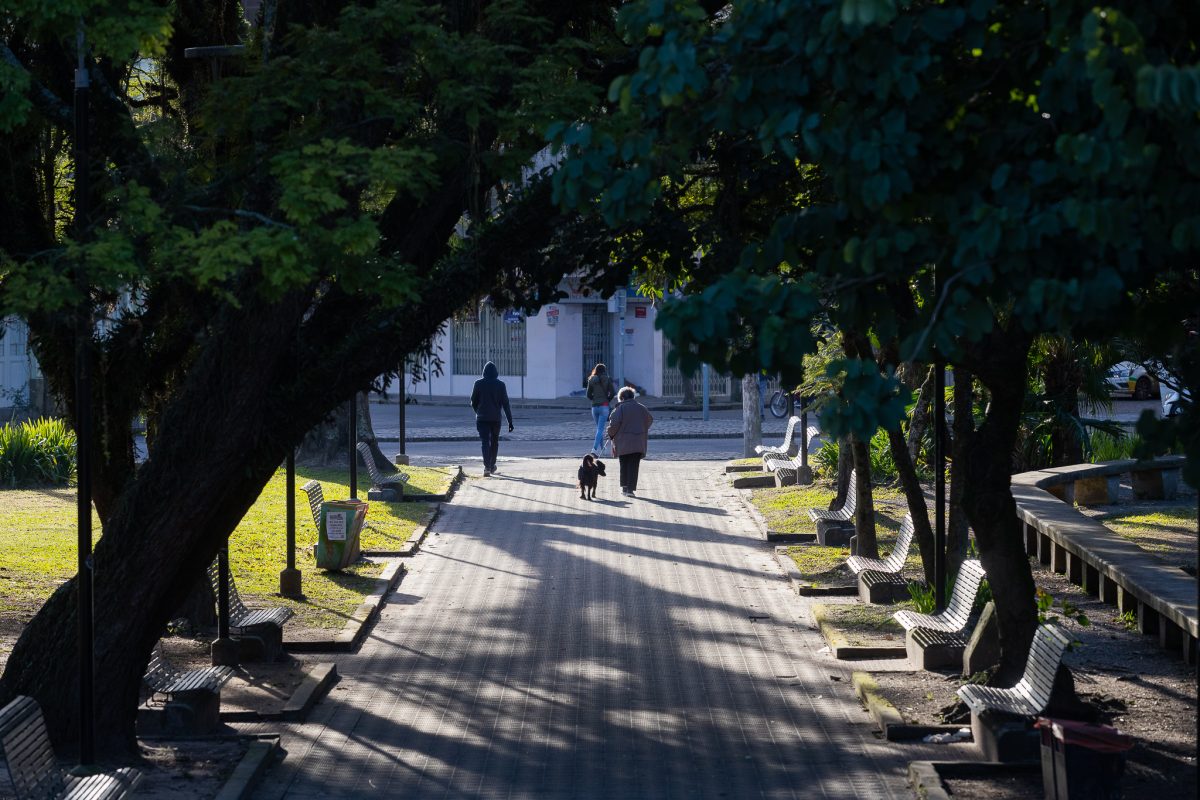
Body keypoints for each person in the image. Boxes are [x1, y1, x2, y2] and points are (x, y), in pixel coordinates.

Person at [605, 386, 653, 496]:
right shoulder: (642, 408)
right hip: (638, 442)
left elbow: (614, 425)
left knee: (624, 464)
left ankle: (624, 488)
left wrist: (610, 434)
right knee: (634, 465)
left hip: (623, 442)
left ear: (621, 398)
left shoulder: (619, 409)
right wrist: (641, 429)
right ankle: (630, 490)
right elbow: (649, 420)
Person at [470, 361, 513, 476]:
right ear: (496, 373)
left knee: (485, 442)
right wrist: (510, 421)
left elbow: (473, 401)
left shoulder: (478, 383)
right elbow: (506, 404)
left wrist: (478, 411)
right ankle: (492, 464)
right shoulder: (501, 385)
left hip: (482, 419)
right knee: (494, 442)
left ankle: (487, 467)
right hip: (496, 419)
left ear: (484, 372)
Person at [585, 363, 616, 455]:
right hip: (604, 406)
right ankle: (594, 449)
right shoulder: (607, 379)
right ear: (604, 371)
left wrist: (594, 400)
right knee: (600, 428)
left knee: (599, 428)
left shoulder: (591, 380)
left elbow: (588, 395)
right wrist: (607, 400)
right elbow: (613, 392)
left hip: (594, 407)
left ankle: (603, 448)